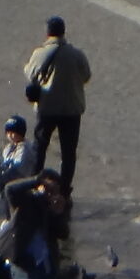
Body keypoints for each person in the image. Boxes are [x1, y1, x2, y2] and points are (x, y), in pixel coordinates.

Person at [23, 17, 90, 190]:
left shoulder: (40, 53)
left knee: (40, 148)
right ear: (63, 32)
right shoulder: (77, 54)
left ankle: (34, 185)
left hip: (47, 109)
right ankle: (64, 189)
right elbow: (86, 76)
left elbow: (30, 74)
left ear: (47, 33)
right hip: (72, 109)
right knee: (68, 153)